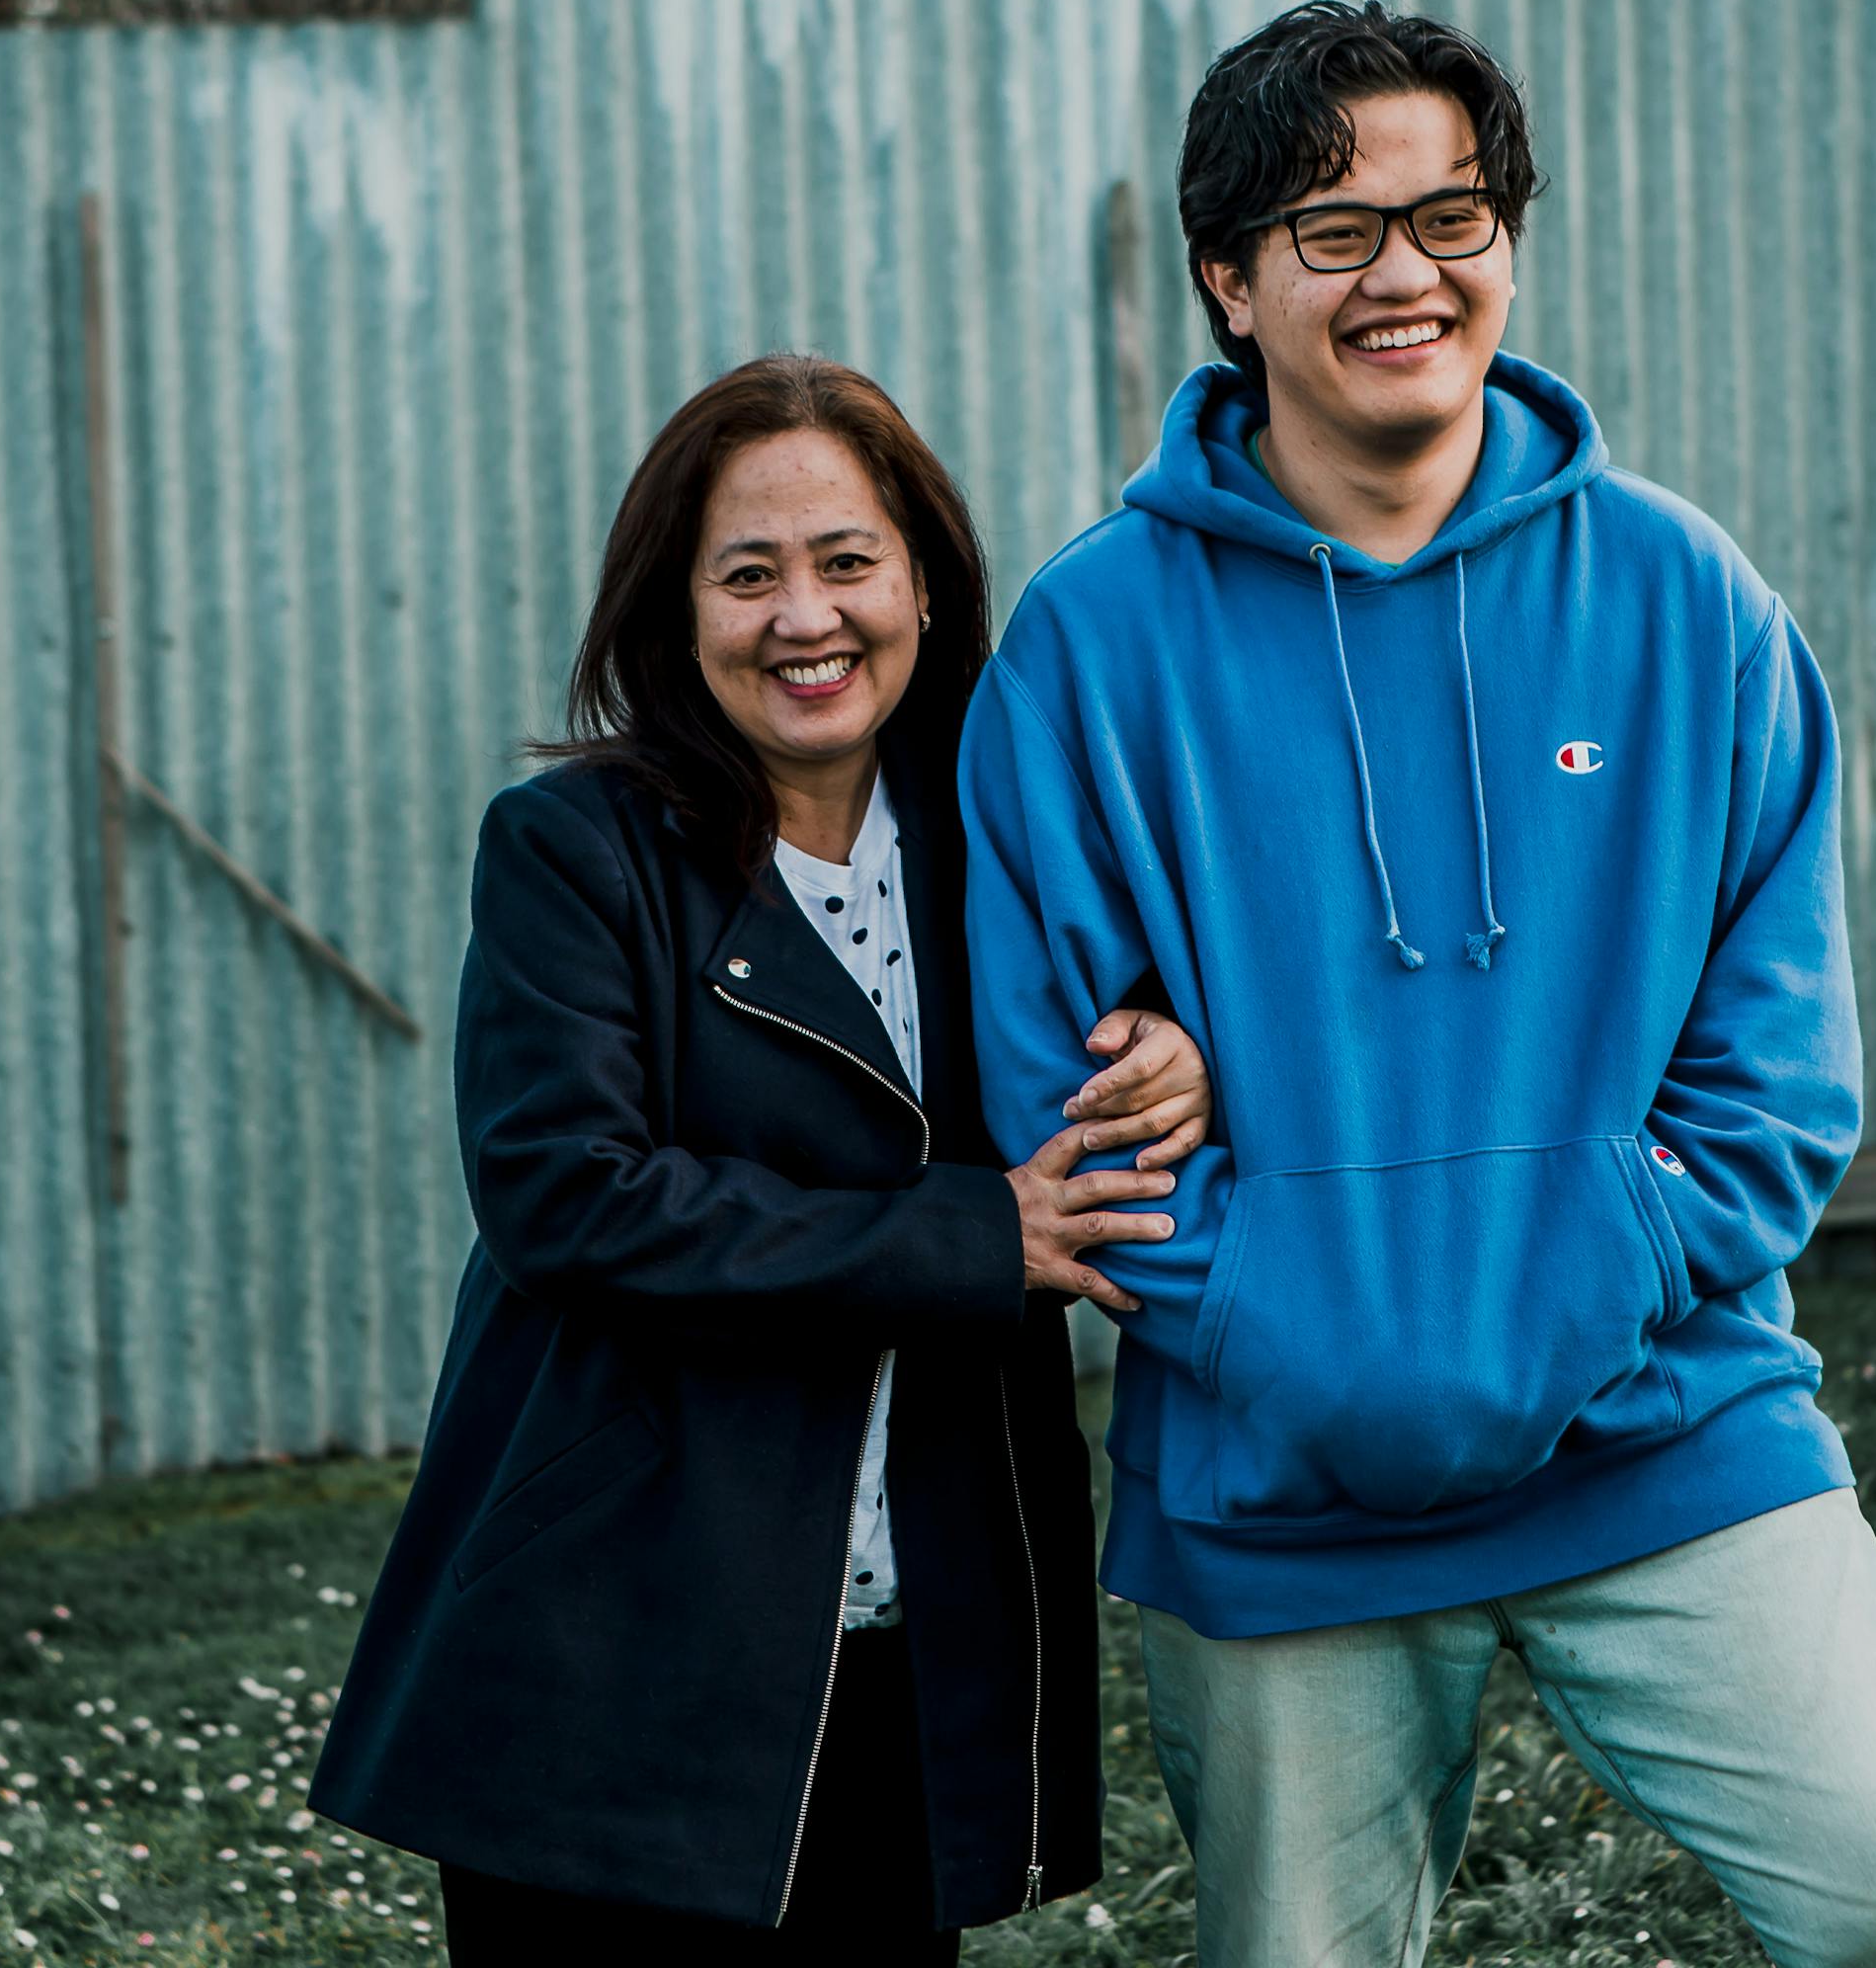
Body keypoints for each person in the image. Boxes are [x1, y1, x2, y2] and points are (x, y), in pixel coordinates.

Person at [959, 1, 1876, 1968]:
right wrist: (1319, 1327)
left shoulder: (1684, 599)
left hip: (1665, 1424)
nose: (1406, 273)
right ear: (1229, 277)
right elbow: (1062, 1095)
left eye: (1453, 214)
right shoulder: (1090, 645)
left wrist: (1581, 1268)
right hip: (1276, 1492)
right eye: (1335, 229)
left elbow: (1779, 1081)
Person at [312, 355, 1212, 1962]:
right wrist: (964, 1241)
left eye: (848, 561)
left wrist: (1172, 1050)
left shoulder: (1001, 843)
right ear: (677, 618)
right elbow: (565, 1195)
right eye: (750, 574)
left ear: (925, 586)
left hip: (915, 1638)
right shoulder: (575, 850)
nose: (807, 617)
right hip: (622, 1657)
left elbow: (1139, 1021)